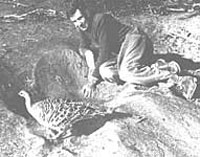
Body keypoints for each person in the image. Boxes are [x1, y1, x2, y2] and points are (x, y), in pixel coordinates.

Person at [66, 0, 199, 99]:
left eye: (80, 18)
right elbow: (83, 46)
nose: (79, 23)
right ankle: (155, 66)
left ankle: (171, 71)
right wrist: (88, 54)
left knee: (125, 74)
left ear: (86, 14)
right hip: (123, 53)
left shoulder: (100, 20)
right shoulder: (83, 28)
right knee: (106, 72)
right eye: (75, 21)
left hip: (135, 39)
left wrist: (92, 81)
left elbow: (105, 52)